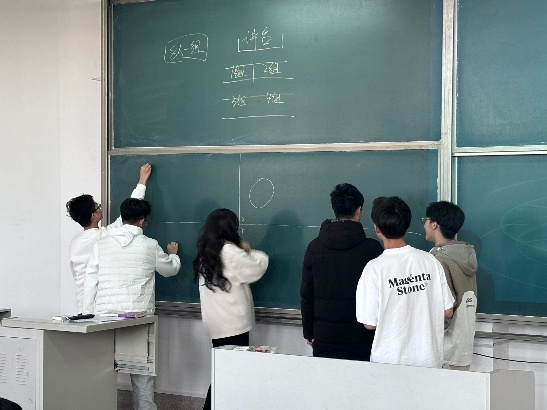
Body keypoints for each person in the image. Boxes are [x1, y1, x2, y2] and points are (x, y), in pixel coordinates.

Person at [83, 198, 180, 410]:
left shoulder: (101, 245)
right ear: (142, 221)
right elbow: (170, 270)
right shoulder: (149, 245)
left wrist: (87, 316)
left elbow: (90, 282)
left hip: (104, 319)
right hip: (138, 319)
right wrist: (174, 256)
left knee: (101, 374)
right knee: (142, 376)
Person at [356, 196, 454, 368]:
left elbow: (369, 323)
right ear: (406, 224)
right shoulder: (430, 260)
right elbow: (448, 311)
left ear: (377, 228)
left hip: (390, 362)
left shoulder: (374, 268)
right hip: (429, 360)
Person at [193, 208, 268, 410]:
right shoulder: (230, 252)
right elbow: (257, 267)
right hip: (234, 324)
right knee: (229, 375)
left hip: (217, 324)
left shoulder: (207, 252)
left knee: (225, 372)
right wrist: (250, 251)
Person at [300, 183, 383, 361]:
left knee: (326, 379)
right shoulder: (373, 249)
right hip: (362, 336)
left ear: (334, 209)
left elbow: (307, 294)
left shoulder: (314, 247)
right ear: (359, 210)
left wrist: (308, 331)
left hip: (324, 336)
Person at [66, 163, 152, 313]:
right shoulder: (104, 237)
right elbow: (128, 213)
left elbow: (75, 273)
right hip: (100, 305)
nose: (100, 207)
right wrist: (142, 181)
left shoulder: (75, 242)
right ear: (93, 215)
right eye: (98, 207)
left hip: (82, 304)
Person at [424, 201, 478, 371]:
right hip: (462, 347)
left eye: (426, 220)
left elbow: (445, 310)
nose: (424, 225)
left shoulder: (439, 260)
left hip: (443, 349)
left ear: (434, 224)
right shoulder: (464, 255)